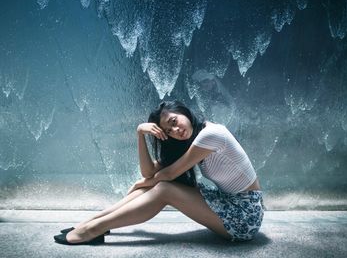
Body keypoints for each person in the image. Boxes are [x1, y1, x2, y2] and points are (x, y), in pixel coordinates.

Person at [54, 100, 265, 245]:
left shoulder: (210, 134)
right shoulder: (191, 139)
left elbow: (167, 176)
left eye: (174, 122)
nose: (175, 131)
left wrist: (142, 184)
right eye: (168, 131)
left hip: (244, 216)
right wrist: (140, 133)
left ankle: (93, 230)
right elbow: (149, 172)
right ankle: (92, 222)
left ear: (183, 111)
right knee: (157, 183)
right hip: (227, 201)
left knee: (163, 188)